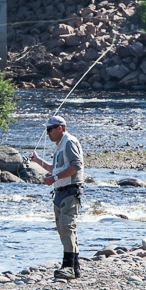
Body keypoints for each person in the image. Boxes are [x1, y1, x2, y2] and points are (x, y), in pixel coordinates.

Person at [28, 115, 85, 280]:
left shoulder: (69, 142)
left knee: (67, 228)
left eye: (49, 130)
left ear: (60, 128)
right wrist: (38, 161)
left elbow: (76, 165)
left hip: (70, 191)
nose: (47, 133)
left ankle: (68, 267)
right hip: (60, 193)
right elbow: (56, 169)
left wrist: (53, 179)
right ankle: (75, 267)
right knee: (64, 230)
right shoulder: (60, 145)